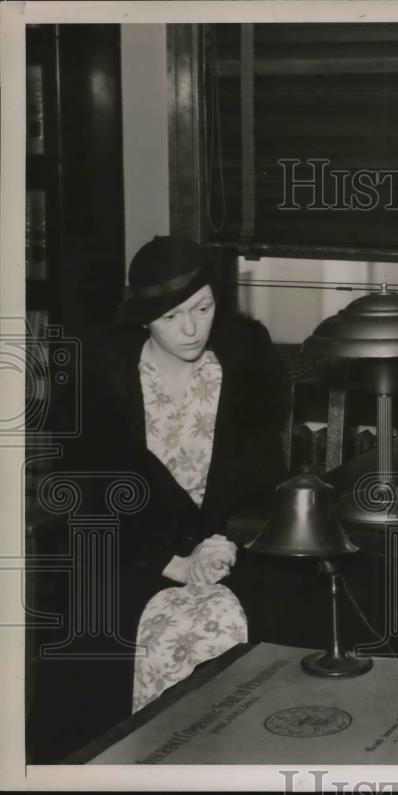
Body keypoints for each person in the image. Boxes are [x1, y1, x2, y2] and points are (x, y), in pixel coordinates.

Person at [30, 235, 290, 757]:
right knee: (134, 649)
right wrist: (166, 561)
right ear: (144, 317)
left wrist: (226, 540)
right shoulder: (100, 374)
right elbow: (83, 495)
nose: (192, 329)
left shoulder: (244, 361)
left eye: (203, 308)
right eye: (172, 316)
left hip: (231, 552)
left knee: (239, 631)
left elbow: (267, 477)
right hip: (126, 556)